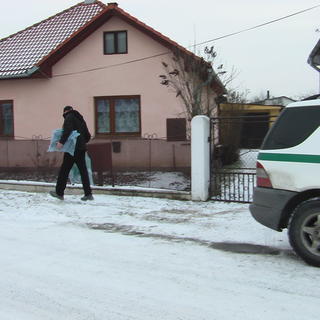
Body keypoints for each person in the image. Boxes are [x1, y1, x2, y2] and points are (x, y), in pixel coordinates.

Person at [49, 106, 93, 201]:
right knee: (83, 171)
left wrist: (61, 142)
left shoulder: (69, 117)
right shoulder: (80, 119)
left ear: (65, 111)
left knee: (64, 170)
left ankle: (59, 193)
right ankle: (88, 194)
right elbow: (88, 136)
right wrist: (81, 142)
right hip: (81, 148)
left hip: (73, 149)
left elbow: (67, 130)